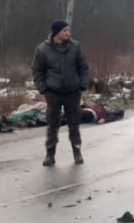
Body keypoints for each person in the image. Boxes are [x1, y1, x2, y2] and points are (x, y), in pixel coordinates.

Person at [32, 19, 90, 166]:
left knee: (74, 123)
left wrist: (83, 84)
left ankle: (77, 151)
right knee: (52, 124)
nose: (68, 33)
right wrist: (42, 88)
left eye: (68, 30)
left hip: (72, 91)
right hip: (53, 92)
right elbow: (37, 71)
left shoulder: (75, 46)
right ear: (57, 32)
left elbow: (83, 66)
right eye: (65, 30)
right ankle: (50, 154)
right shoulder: (42, 49)